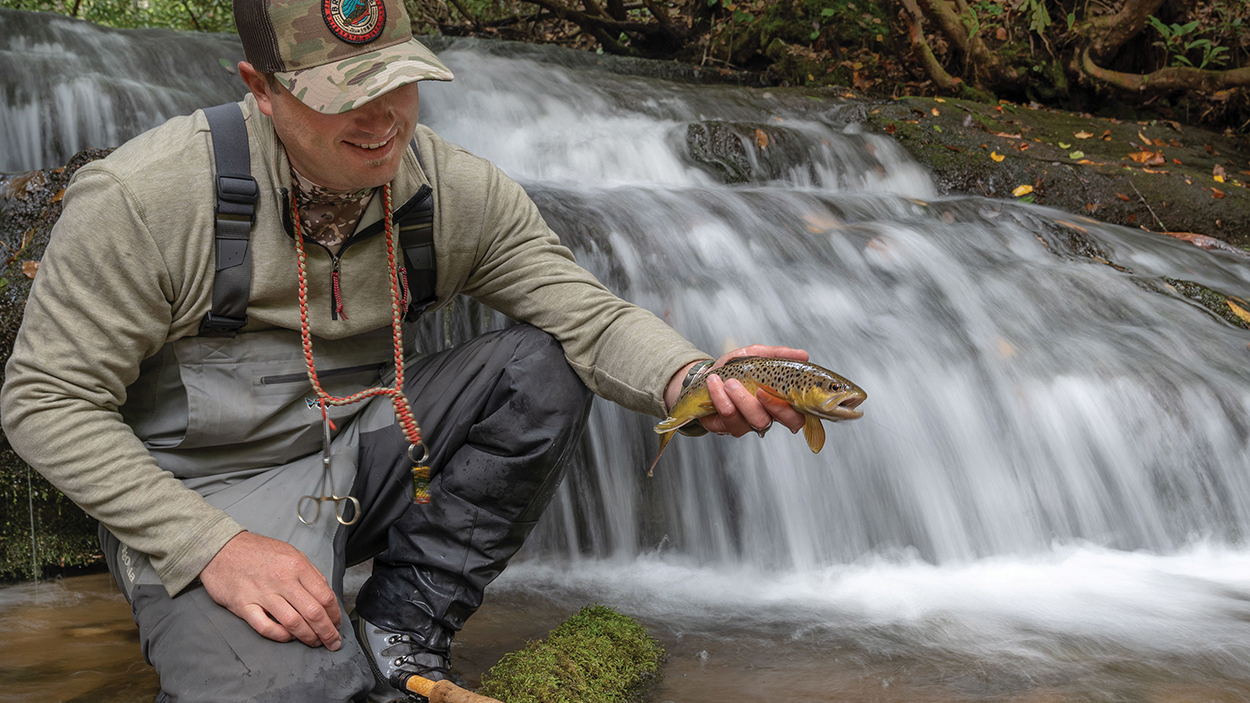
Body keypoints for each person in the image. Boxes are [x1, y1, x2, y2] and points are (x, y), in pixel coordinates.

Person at [0, 0, 808, 700]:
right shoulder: (146, 200)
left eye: (398, 80)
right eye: (344, 94)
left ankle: (402, 631)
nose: (383, 118)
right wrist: (213, 547)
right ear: (261, 89)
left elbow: (588, 318)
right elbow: (45, 401)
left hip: (367, 448)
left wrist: (694, 377)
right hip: (200, 491)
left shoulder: (455, 192)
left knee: (544, 364)